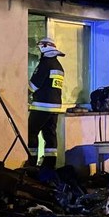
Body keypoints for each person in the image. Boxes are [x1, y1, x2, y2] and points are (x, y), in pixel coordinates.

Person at [28, 38, 66, 179]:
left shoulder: (45, 64)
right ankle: (49, 165)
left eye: (39, 48)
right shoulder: (58, 66)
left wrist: (23, 93)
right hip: (54, 108)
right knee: (50, 136)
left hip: (41, 106)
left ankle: (31, 163)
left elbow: (33, 85)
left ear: (44, 48)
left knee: (31, 132)